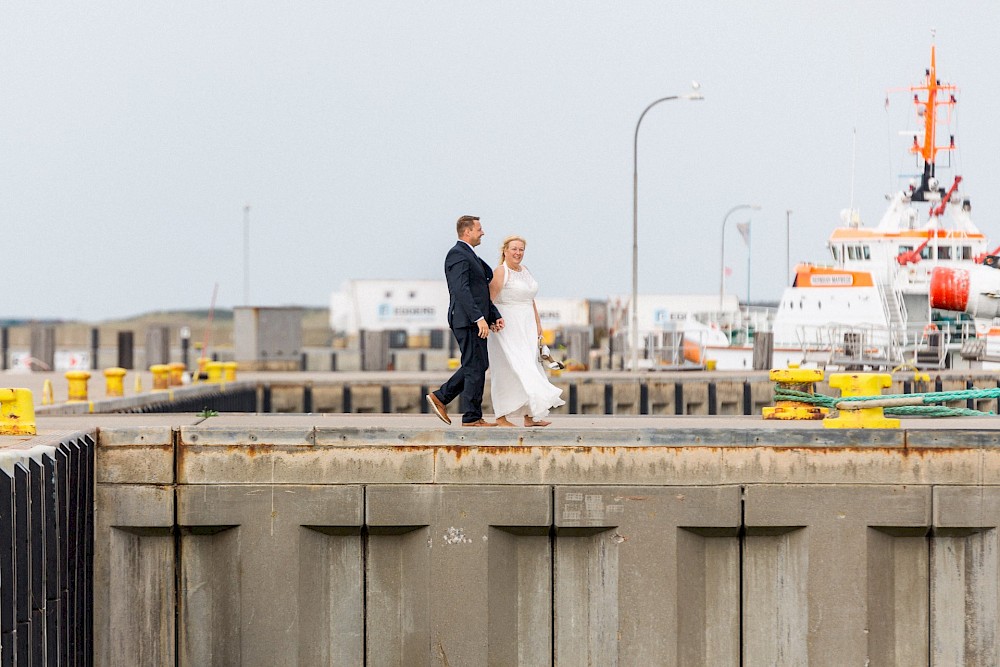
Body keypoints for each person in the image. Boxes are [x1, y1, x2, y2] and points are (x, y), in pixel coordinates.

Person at [426, 215, 505, 427]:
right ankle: (471, 416)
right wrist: (479, 318)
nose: (483, 232)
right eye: (479, 229)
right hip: (466, 320)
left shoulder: (470, 255)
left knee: (478, 364)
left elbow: (480, 291)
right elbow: (461, 290)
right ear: (467, 231)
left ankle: (443, 397)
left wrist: (493, 314)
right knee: (474, 365)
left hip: (474, 319)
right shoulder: (457, 255)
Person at [487, 235, 565, 426]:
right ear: (505, 250)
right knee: (510, 368)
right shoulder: (501, 272)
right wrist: (490, 321)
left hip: (527, 324)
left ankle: (530, 416)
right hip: (507, 327)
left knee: (532, 364)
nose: (518, 253)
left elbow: (531, 300)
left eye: (521, 249)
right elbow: (489, 300)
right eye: (514, 249)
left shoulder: (525, 270)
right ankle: (501, 416)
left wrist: (538, 325)